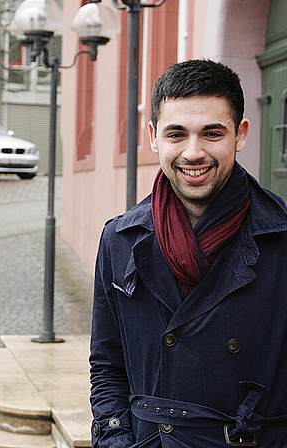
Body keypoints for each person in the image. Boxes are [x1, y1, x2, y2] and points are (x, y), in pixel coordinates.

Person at [90, 59, 287, 447]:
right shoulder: (120, 239)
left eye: (212, 133)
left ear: (240, 134)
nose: (193, 153)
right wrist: (115, 440)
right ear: (153, 137)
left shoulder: (280, 237)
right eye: (176, 134)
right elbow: (108, 366)